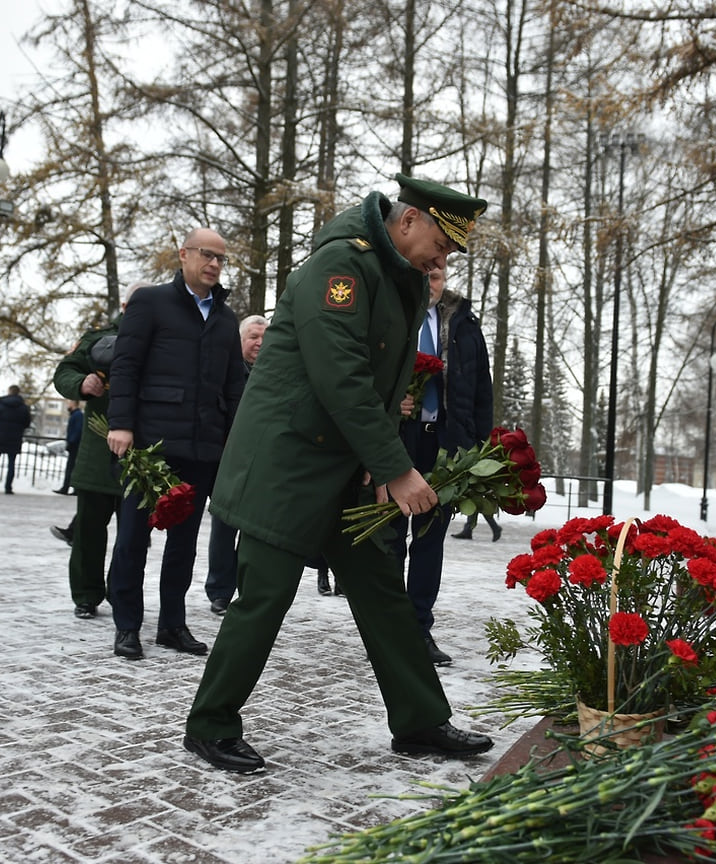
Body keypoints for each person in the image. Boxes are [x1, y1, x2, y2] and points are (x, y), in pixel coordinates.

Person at [183, 173, 494, 775]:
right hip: (288, 464)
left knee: (382, 592)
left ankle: (420, 720)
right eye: (442, 242)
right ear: (408, 222)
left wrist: (378, 469)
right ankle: (210, 724)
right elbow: (340, 376)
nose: (445, 257)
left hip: (342, 470)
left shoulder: (393, 274)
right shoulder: (341, 266)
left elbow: (379, 382)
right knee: (264, 597)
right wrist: (395, 467)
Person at [105, 230, 244, 660]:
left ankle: (172, 625)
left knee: (183, 544)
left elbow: (234, 386)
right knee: (133, 537)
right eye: (207, 255)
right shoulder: (151, 302)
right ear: (183, 255)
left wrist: (235, 440)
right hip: (149, 446)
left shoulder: (225, 319)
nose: (215, 264)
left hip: (201, 449)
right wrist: (122, 424)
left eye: (221, 258)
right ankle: (127, 624)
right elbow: (126, 365)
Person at [397, 267, 494, 667]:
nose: (429, 282)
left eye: (436, 276)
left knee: (430, 540)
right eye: (423, 274)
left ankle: (418, 629)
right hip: (397, 442)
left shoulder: (465, 324)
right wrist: (390, 405)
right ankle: (389, 631)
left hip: (445, 446)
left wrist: (478, 451)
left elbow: (481, 391)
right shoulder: (393, 314)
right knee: (387, 540)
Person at [51, 282, 145, 618]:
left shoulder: (166, 342)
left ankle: (123, 594)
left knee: (133, 537)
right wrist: (81, 383)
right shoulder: (96, 339)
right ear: (123, 305)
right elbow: (64, 371)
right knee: (90, 530)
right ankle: (86, 595)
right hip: (97, 449)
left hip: (143, 452)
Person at [205, 314, 267, 615]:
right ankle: (219, 590)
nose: (260, 343)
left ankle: (246, 587)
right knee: (224, 527)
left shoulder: (272, 373)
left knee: (254, 529)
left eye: (264, 338)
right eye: (253, 336)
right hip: (227, 461)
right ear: (240, 340)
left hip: (263, 463)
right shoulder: (228, 372)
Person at [53, 401, 83, 495]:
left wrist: (71, 442)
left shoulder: (77, 415)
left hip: (75, 445)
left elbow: (77, 430)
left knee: (71, 467)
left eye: (69, 403)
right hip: (75, 444)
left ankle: (68, 488)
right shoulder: (77, 415)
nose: (67, 405)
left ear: (74, 404)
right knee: (73, 467)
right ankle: (71, 488)